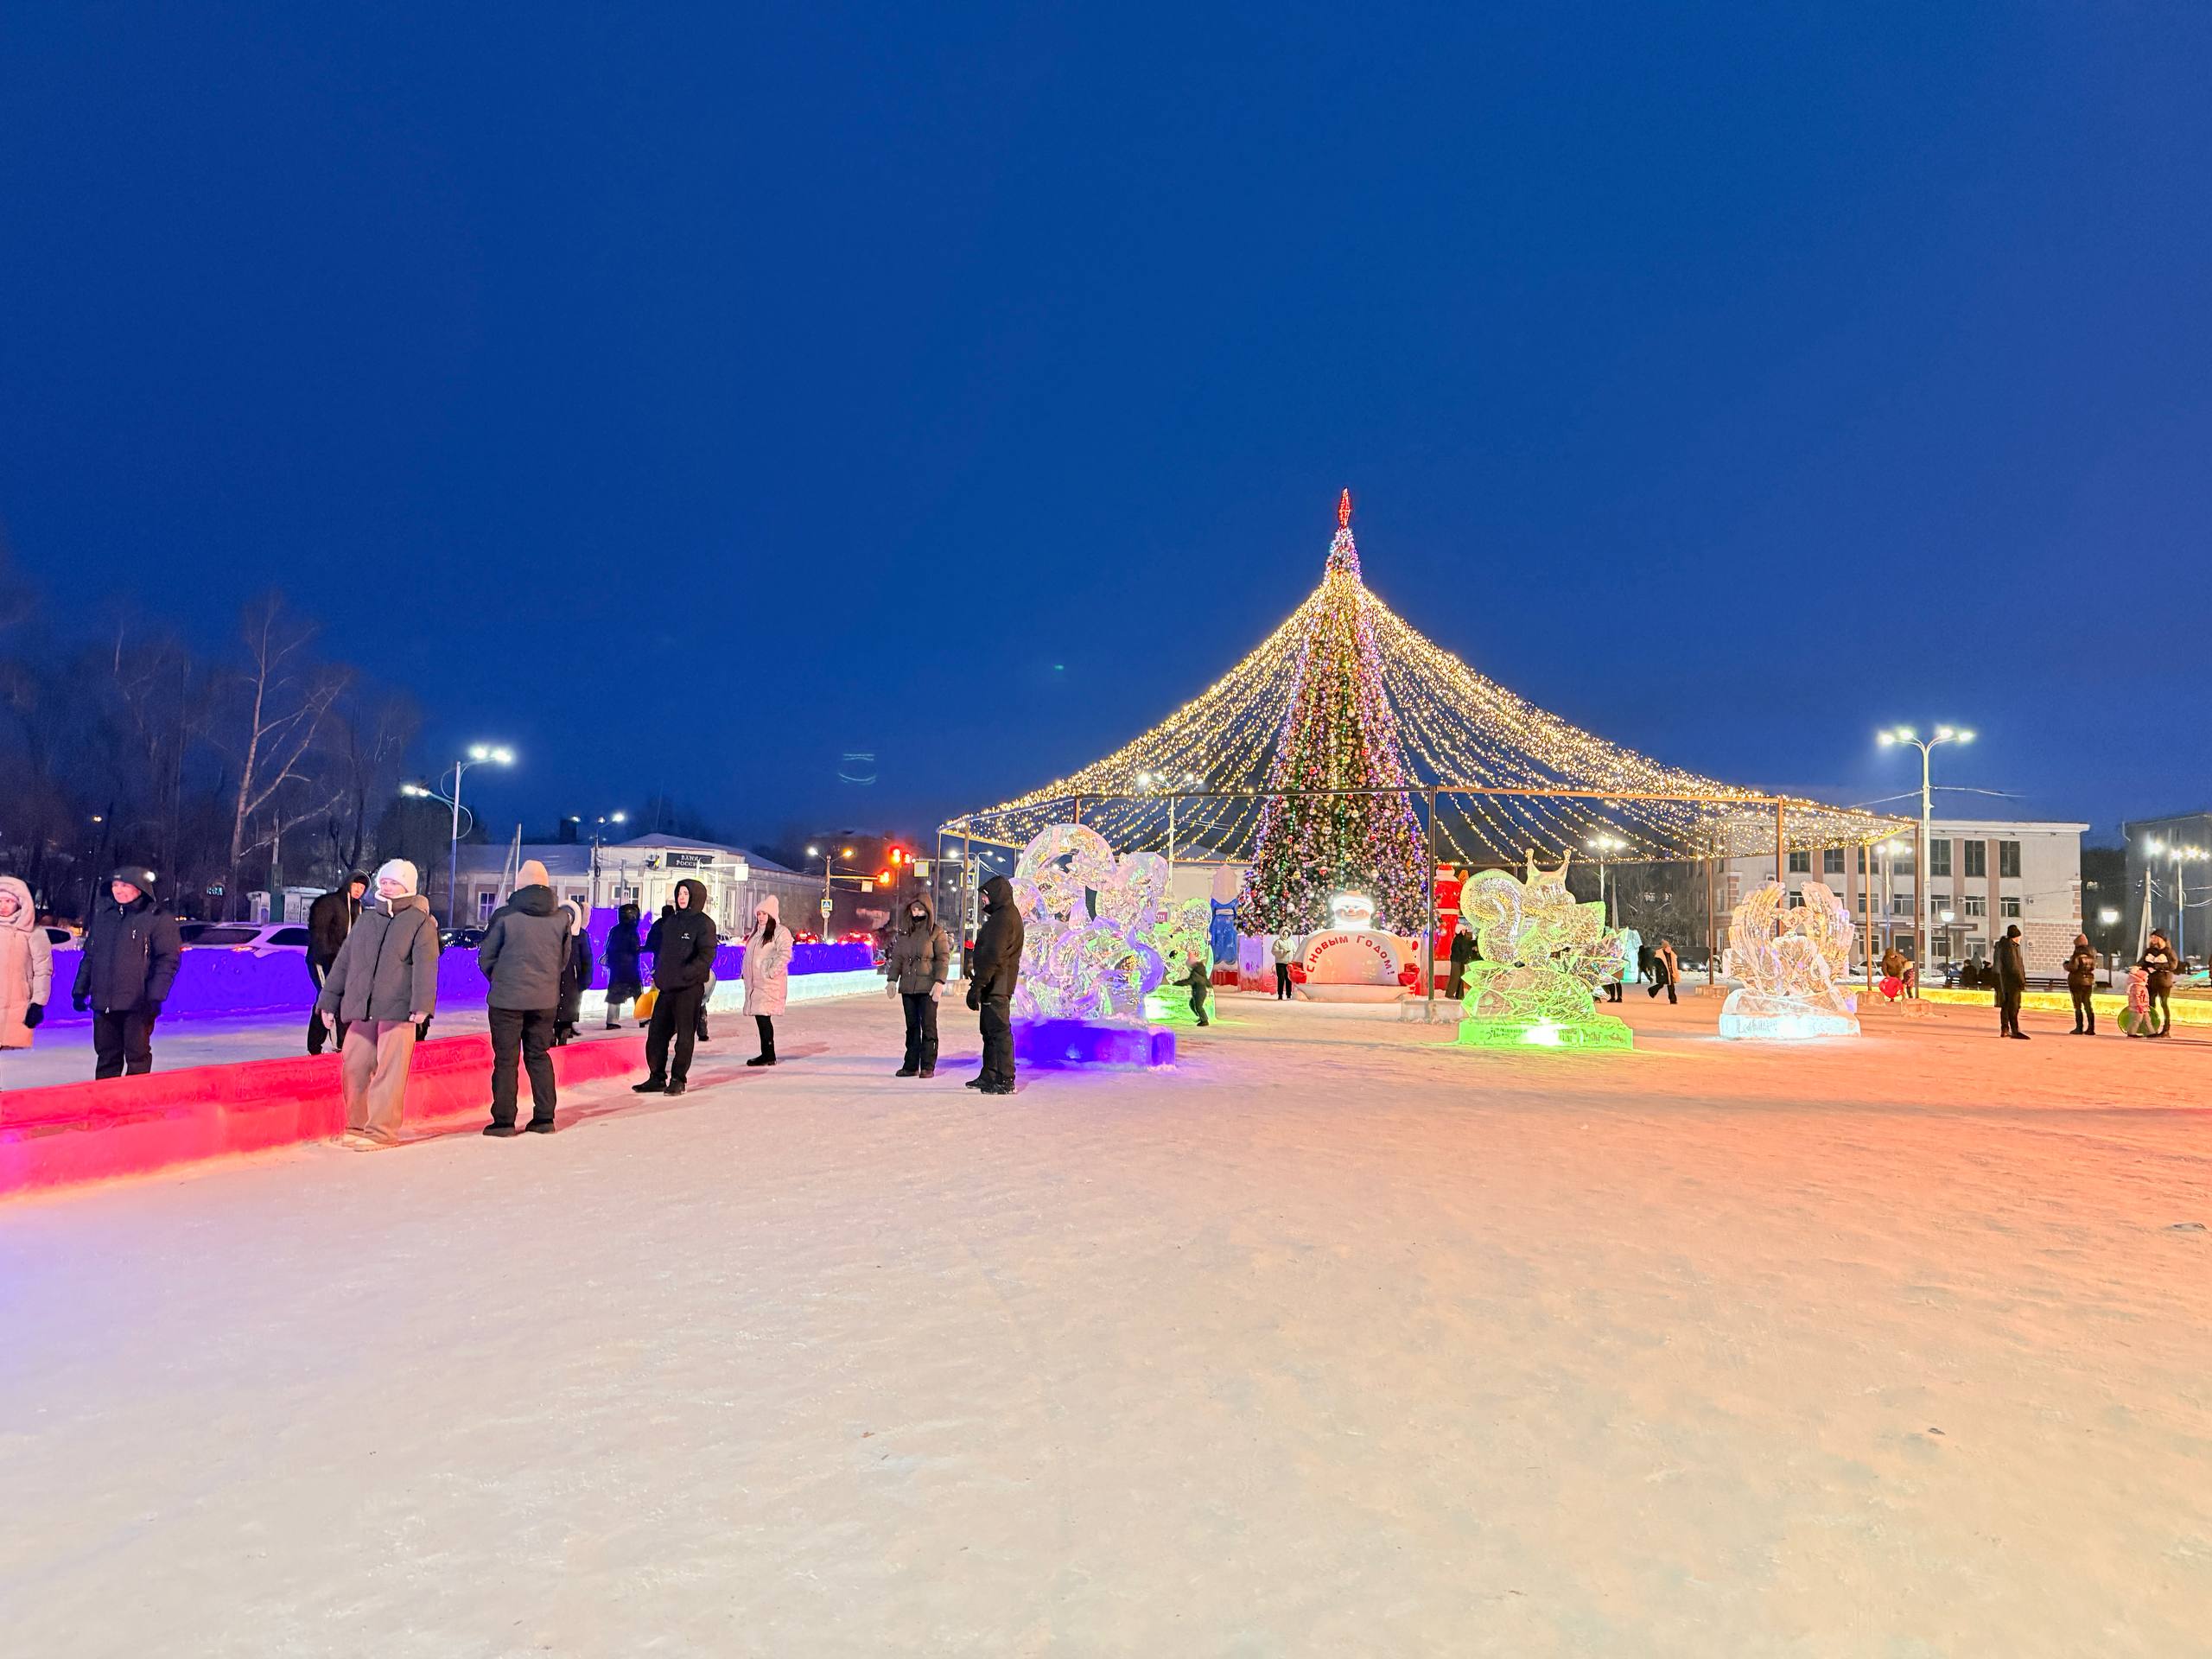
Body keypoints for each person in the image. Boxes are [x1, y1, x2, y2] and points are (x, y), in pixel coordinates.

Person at [315, 861, 439, 1149]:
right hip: (362, 1008)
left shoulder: (419, 922)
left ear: (407, 886)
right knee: (355, 1066)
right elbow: (345, 962)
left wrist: (422, 1004)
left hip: (398, 1009)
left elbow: (425, 965)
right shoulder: (367, 920)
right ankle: (357, 1125)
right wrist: (328, 1001)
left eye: (394, 883)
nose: (387, 887)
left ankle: (381, 1131)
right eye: (384, 882)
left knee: (390, 1072)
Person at [475, 859, 569, 1135]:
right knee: (539, 1055)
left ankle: (504, 1121)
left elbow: (486, 957)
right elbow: (562, 961)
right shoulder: (561, 918)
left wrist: (502, 979)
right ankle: (544, 1118)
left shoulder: (505, 916)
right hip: (545, 1000)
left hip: (507, 1000)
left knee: (506, 1060)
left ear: (519, 885)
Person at [71, 865, 183, 1079]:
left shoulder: (157, 919)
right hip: (104, 1001)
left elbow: (167, 960)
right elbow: (91, 956)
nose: (119, 890)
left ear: (140, 889)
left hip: (137, 1003)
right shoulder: (104, 917)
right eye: (115, 885)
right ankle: (107, 1104)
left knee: (137, 1056)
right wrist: (80, 990)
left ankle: (134, 1105)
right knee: (106, 1057)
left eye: (125, 885)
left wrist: (155, 996)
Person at [634, 879, 716, 1096]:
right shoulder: (670, 922)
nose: (681, 897)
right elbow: (663, 952)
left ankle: (678, 1079)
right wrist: (659, 973)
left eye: (686, 894)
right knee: (656, 1035)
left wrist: (687, 973)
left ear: (695, 897)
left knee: (685, 1037)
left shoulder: (704, 923)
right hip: (667, 988)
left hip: (689, 988)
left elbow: (707, 955)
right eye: (679, 893)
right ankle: (657, 1077)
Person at [965, 874, 1024, 1094]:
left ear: (997, 896)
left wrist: (978, 986)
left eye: (985, 896)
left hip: (997, 984)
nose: (983, 900)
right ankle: (990, 1074)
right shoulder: (1003, 916)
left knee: (999, 1032)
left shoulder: (1004, 918)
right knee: (989, 1032)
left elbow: (993, 955)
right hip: (995, 983)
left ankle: (1005, 1078)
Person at [883, 892, 950, 1077]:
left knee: (928, 1026)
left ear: (927, 910)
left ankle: (928, 1065)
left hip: (928, 988)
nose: (916, 912)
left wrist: (939, 982)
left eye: (920, 909)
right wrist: (891, 979)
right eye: (913, 909)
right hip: (908, 987)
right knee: (912, 1027)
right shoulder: (905, 933)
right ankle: (911, 1064)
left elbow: (943, 959)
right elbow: (897, 958)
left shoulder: (936, 932)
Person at [305, 872, 368, 1055]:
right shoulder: (330, 903)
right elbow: (319, 932)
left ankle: (340, 1043)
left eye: (363, 888)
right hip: (323, 961)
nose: (359, 890)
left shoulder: (358, 908)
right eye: (356, 885)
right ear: (348, 883)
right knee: (327, 999)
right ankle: (317, 1045)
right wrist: (327, 956)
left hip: (344, 964)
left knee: (342, 1000)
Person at [0, 875, 54, 1052]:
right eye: (0, 900)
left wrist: (38, 1003)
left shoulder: (33, 933)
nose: (3, 906)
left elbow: (42, 970)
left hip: (15, 1004)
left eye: (9, 901)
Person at [741, 895, 794, 1066]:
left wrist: (771, 972)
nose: (761, 917)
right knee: (761, 1018)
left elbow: (785, 954)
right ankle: (767, 1053)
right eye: (759, 914)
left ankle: (768, 1054)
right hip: (756, 984)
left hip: (768, 984)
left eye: (764, 914)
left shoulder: (780, 932)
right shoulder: (756, 934)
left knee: (764, 1018)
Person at [552, 899, 594, 1046]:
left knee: (568, 1008)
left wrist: (586, 979)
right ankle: (553, 1033)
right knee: (554, 1006)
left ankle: (564, 1032)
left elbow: (586, 958)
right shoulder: (553, 933)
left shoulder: (581, 935)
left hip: (572, 977)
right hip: (554, 977)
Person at [602, 901, 644, 1029]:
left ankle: (612, 1020)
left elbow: (608, 947)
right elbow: (635, 948)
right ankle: (643, 1018)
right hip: (631, 968)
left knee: (614, 993)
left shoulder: (615, 930)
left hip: (616, 968)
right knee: (638, 993)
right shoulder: (632, 932)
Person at [2138, 929, 2179, 1038]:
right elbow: (2142, 962)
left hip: (2164, 982)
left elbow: (2173, 966)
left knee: (2164, 1004)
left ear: (2160, 938)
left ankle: (2166, 1029)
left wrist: (2158, 966)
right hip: (2151, 981)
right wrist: (2144, 967)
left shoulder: (2169, 952)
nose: (2152, 939)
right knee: (2151, 1004)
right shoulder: (2150, 951)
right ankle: (2151, 1028)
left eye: (2154, 937)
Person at [1993, 922, 2029, 1039]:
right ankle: (2015, 1030)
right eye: (2019, 936)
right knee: (2014, 1005)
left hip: (2006, 980)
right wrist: (2021, 980)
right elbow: (2014, 966)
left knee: (2007, 1005)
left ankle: (2005, 1029)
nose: (2020, 939)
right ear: (2016, 936)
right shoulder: (2010, 948)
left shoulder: (2004, 946)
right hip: (2012, 981)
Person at [2064, 932, 2099, 1036]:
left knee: (2078, 1005)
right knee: (2088, 1004)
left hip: (2077, 982)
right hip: (2088, 982)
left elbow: (2073, 968)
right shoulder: (2091, 956)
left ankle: (2079, 1027)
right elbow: (2092, 968)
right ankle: (2091, 1028)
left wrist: (2066, 965)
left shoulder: (2076, 956)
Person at [1446, 919, 1476, 1001]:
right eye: (1463, 930)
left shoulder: (1462, 939)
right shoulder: (1459, 940)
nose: (1465, 932)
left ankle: (1460, 995)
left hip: (1460, 961)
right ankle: (1449, 993)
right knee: (1455, 977)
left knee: (1460, 978)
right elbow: (1464, 948)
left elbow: (1468, 944)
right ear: (1459, 931)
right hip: (1457, 961)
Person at [1179, 950, 1211, 1027]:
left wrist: (1179, 983)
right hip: (1198, 991)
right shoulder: (1200, 971)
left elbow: (1190, 981)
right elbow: (1205, 980)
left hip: (1200, 992)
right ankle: (1201, 1017)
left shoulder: (1196, 973)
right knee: (1192, 1004)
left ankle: (1204, 1020)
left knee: (1198, 1006)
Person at [1645, 937, 1678, 1005]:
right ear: (1664, 947)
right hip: (1662, 973)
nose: (1668, 947)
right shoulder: (1659, 954)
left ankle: (1673, 999)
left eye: (1668, 946)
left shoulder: (1671, 954)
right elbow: (1655, 963)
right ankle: (1651, 990)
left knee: (1671, 986)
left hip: (1669, 972)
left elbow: (1673, 963)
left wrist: (1674, 972)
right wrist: (1660, 969)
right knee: (1661, 984)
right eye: (1666, 946)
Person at [2125, 964, 2153, 1038]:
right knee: (2137, 1020)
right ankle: (2131, 1032)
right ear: (2141, 978)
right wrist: (2139, 1005)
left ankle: (2151, 1032)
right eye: (2146, 977)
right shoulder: (2137, 987)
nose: (2147, 979)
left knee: (2147, 1019)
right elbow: (2137, 997)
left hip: (2144, 1006)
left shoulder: (2142, 986)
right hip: (2139, 1007)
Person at [1271, 932, 1297, 1000]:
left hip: (1289, 963)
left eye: (1287, 934)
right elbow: (1273, 951)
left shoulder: (1291, 942)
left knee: (1289, 979)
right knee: (1281, 979)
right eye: (1284, 934)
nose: (1286, 936)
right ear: (1281, 934)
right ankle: (1280, 995)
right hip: (1280, 963)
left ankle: (1289, 995)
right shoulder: (1278, 942)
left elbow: (1295, 951)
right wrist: (1282, 951)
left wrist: (1295, 959)